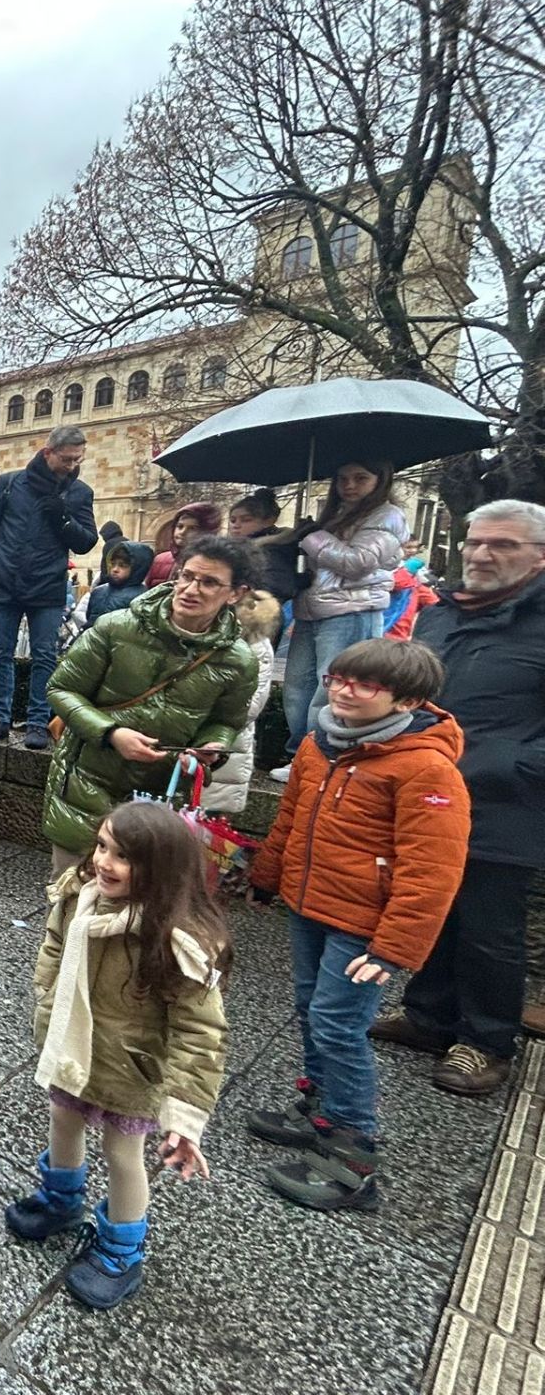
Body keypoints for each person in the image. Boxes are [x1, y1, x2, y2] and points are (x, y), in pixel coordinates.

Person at [246, 639, 469, 1212]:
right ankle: (318, 1109)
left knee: (340, 1025)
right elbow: (290, 819)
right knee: (309, 1009)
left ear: (408, 699)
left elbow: (433, 869)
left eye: (363, 684)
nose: (343, 690)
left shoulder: (425, 766)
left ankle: (352, 1156)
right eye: (339, 677)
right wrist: (267, 877)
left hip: (367, 927)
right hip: (310, 904)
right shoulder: (321, 743)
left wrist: (395, 948)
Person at [10, 802, 228, 1310]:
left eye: (123, 856)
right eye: (103, 846)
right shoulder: (78, 897)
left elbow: (201, 1030)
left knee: (121, 1155)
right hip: (73, 1048)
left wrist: (184, 1114)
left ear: (161, 868)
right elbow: (54, 947)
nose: (104, 862)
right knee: (62, 1119)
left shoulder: (177, 940)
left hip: (132, 1068)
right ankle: (61, 1201)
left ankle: (121, 1249)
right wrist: (46, 997)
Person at [371, 501, 545, 1097]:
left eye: (503, 545)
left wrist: (511, 764)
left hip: (508, 799)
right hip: (430, 788)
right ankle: (428, 1015)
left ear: (539, 556)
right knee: (434, 905)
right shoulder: (442, 613)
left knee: (488, 925)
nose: (481, 554)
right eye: (476, 541)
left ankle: (486, 1041)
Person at [42, 535, 261, 877]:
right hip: (87, 785)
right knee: (72, 900)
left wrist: (213, 746)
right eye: (187, 576)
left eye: (209, 582)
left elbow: (226, 721)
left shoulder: (239, 661)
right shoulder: (115, 628)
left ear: (236, 593)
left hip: (160, 798)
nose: (191, 589)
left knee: (142, 912)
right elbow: (61, 688)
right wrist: (111, 733)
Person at [275, 459, 408, 779]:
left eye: (360, 478)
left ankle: (323, 756)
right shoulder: (337, 514)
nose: (349, 486)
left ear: (380, 480)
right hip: (314, 609)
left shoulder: (386, 515)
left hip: (352, 611)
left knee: (333, 689)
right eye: (343, 479)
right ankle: (302, 755)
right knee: (298, 688)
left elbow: (358, 562)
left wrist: (314, 537)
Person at [0, 427, 98, 749]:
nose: (71, 465)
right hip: (5, 580)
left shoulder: (79, 492)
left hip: (48, 586)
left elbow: (86, 542)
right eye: (66, 458)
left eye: (76, 460)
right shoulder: (9, 484)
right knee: (1, 653)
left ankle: (38, 722)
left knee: (44, 655)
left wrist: (64, 520)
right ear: (48, 453)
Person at [198, 591, 282, 817]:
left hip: (224, 752)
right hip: (188, 752)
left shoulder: (255, 647)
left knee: (209, 830)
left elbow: (250, 705)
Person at [226, 488, 300, 600]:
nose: (236, 525)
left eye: (246, 520)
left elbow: (276, 588)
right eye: (233, 520)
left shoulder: (270, 551)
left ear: (268, 521)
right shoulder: (232, 548)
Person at [145, 502, 223, 586]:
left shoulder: (216, 564)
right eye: (180, 526)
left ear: (207, 532)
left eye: (192, 528)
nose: (182, 532)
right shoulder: (161, 561)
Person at [84, 540, 154, 624]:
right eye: (113, 564)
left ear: (136, 569)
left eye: (122, 566)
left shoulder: (141, 597)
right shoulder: (98, 591)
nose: (115, 569)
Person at [384, 543, 438, 640]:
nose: (412, 551)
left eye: (415, 547)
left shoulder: (415, 581)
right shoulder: (388, 570)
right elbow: (398, 583)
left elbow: (435, 604)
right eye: (408, 547)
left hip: (398, 636)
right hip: (391, 635)